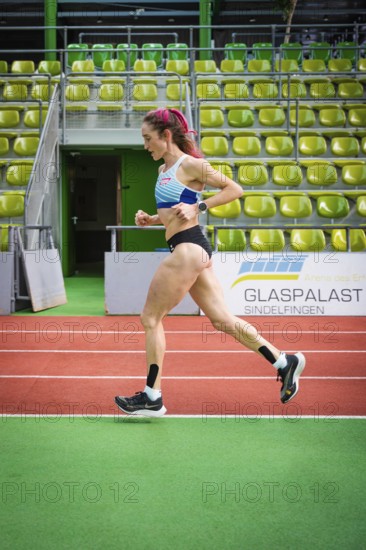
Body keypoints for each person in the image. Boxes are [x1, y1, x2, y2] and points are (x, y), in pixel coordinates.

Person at [115, 108, 305, 417]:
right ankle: (284, 362)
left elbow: (234, 189)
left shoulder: (191, 165)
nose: (145, 145)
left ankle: (152, 396)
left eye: (148, 139)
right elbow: (173, 211)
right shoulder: (163, 170)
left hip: (189, 249)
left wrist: (199, 206)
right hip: (192, 249)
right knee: (222, 320)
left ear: (165, 136)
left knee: (151, 318)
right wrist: (150, 219)